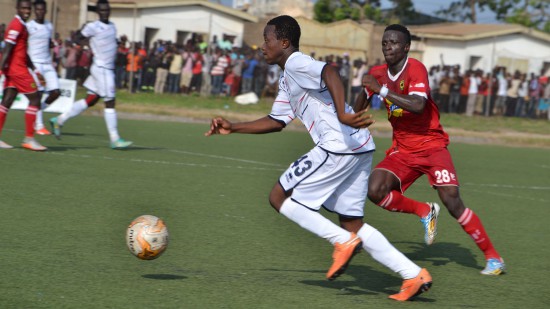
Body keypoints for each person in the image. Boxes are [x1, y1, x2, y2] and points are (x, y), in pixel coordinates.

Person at [205, 15, 433, 301]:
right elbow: (277, 120)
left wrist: (341, 112)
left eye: (267, 39)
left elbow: (330, 72)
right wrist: (234, 127)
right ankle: (412, 274)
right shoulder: (288, 76)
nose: (262, 45)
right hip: (358, 146)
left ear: (284, 43)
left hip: (338, 144)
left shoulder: (297, 63)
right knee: (353, 223)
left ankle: (341, 242)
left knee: (279, 196)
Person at [356, 24, 505, 275]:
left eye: (393, 43)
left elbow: (417, 105)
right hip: (402, 149)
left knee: (452, 201)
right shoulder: (378, 73)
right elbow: (357, 108)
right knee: (375, 190)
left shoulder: (415, 68)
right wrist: (364, 90)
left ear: (406, 47)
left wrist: (380, 89)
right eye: (384, 43)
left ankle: (493, 258)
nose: (387, 47)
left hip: (431, 145)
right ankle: (424, 210)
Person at [49, 0, 132, 149]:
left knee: (91, 99)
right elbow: (77, 37)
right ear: (98, 12)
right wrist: (86, 44)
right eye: (102, 10)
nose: (105, 12)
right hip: (102, 69)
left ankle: (59, 120)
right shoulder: (93, 26)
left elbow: (109, 41)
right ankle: (115, 138)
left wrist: (117, 43)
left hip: (105, 68)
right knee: (110, 102)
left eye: (107, 10)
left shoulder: (112, 26)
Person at [0, 0, 47, 151]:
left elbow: (22, 52)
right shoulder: (16, 25)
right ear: (17, 8)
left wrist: (35, 70)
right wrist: (1, 70)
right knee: (35, 98)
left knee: (7, 101)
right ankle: (29, 138)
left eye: (28, 8)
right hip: (18, 71)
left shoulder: (22, 25)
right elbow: (7, 49)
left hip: (15, 69)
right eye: (24, 8)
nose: (27, 11)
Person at [26, 0, 61, 136]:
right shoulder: (29, 26)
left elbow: (46, 42)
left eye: (42, 10)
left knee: (56, 92)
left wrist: (51, 44)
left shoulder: (49, 25)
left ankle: (38, 110)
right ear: (35, 11)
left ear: (45, 11)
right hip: (36, 64)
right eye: (38, 10)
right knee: (39, 94)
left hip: (47, 64)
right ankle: (39, 125)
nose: (40, 12)